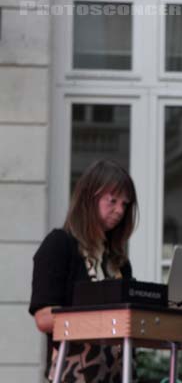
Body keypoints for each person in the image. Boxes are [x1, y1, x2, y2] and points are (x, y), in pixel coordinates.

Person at [29, 159, 138, 382]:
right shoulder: (59, 244)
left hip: (120, 372)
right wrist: (103, 321)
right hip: (74, 373)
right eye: (113, 201)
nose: (119, 210)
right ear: (90, 198)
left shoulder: (119, 262)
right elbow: (43, 317)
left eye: (125, 204)